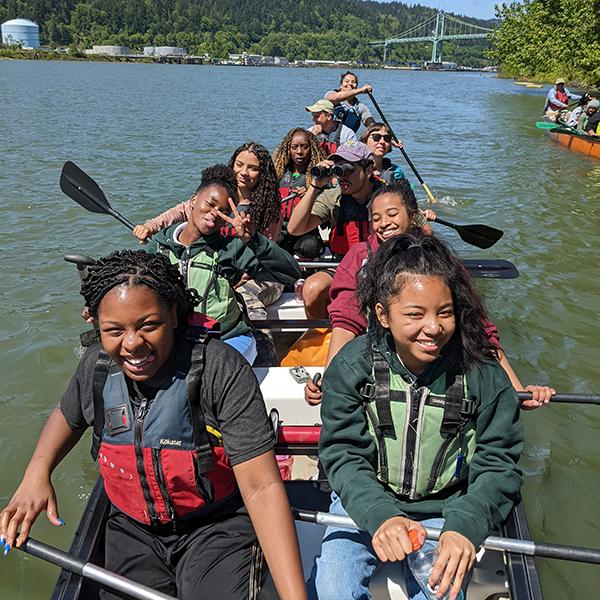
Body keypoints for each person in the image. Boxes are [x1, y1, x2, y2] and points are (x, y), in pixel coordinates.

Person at [0, 250, 307, 600]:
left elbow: (261, 489)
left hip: (215, 525)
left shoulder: (220, 368)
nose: (132, 344)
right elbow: (67, 414)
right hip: (132, 529)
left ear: (173, 315)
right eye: (114, 331)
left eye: (148, 325)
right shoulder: (97, 368)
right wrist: (36, 473)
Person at [309, 233, 525, 600]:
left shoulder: (485, 376)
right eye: (414, 314)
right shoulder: (350, 367)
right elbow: (342, 454)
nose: (433, 328)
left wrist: (466, 525)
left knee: (445, 592)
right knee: (332, 587)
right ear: (382, 314)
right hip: (362, 502)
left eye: (444, 312)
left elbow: (499, 463)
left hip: (446, 508)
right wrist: (380, 515)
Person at [304, 181, 555, 409]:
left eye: (392, 214)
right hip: (377, 363)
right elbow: (346, 323)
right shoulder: (359, 258)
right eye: (376, 218)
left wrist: (518, 391)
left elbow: (477, 327)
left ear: (413, 217)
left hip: (437, 365)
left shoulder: (438, 259)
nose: (383, 224)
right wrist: (331, 380)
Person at [147, 164, 300, 365]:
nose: (215, 213)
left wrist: (254, 240)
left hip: (228, 337)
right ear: (193, 201)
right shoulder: (158, 248)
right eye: (210, 204)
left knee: (212, 369)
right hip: (177, 339)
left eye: (224, 211)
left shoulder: (231, 248)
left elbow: (289, 274)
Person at [287, 141, 380, 319]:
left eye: (349, 169)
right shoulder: (334, 196)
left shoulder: (388, 196)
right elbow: (295, 228)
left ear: (368, 170)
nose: (343, 176)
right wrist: (315, 186)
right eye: (339, 169)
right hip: (343, 266)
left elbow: (424, 231)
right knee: (313, 289)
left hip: (380, 266)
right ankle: (326, 338)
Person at [132, 142, 281, 243]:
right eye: (239, 165)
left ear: (263, 174)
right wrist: (150, 227)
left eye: (253, 168)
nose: (243, 172)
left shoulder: (268, 207)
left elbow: (268, 244)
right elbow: (182, 211)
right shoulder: (217, 193)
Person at [273, 127, 326, 258]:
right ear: (288, 149)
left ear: (311, 149)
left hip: (306, 230)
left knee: (310, 247)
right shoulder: (278, 173)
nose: (299, 152)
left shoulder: (318, 177)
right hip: (281, 229)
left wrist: (311, 193)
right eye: (294, 147)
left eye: (304, 147)